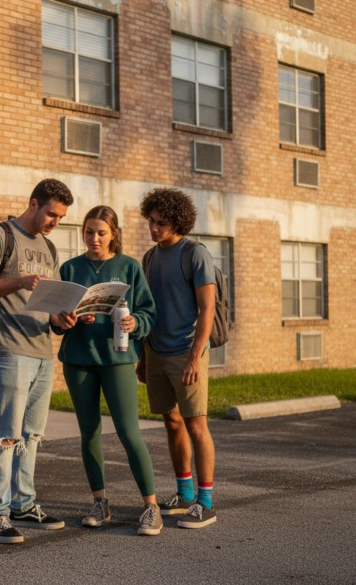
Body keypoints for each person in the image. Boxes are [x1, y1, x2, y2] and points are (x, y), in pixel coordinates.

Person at [0, 178, 76, 544]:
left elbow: (48, 303)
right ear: (33, 203)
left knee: (31, 436)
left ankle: (23, 505)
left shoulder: (48, 247)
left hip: (42, 351)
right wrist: (20, 280)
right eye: (51, 214)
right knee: (7, 436)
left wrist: (62, 319)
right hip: (7, 348)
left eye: (60, 218)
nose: (54, 223)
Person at [56, 205, 162, 536]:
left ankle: (151, 506)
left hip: (117, 359)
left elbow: (148, 312)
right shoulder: (71, 268)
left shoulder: (129, 267)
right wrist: (70, 318)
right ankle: (100, 503)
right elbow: (58, 320)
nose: (95, 238)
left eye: (101, 232)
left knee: (130, 432)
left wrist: (136, 322)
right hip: (78, 360)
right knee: (89, 433)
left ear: (113, 233)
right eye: (89, 232)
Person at [139, 187, 218, 529]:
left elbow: (208, 308)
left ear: (178, 221)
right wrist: (144, 356)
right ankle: (184, 492)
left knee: (196, 424)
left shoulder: (195, 253)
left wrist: (195, 357)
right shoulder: (150, 257)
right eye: (152, 221)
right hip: (156, 352)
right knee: (170, 421)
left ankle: (205, 501)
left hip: (187, 352)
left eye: (162, 222)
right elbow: (147, 309)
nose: (155, 228)